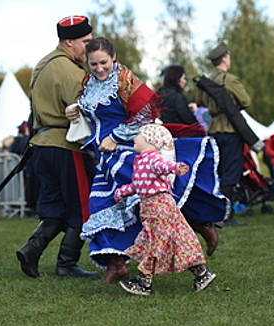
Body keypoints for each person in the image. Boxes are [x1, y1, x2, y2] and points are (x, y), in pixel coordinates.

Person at [71, 37, 227, 283]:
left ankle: (199, 224)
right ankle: (116, 264)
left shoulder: (124, 79)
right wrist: (77, 110)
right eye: (93, 64)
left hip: (127, 151)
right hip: (104, 155)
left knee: (154, 201)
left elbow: (144, 114)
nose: (99, 68)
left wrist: (114, 137)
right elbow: (97, 113)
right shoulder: (88, 82)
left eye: (103, 62)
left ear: (113, 58)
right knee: (102, 206)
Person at [16, 15, 97, 278]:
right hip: (66, 146)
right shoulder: (72, 72)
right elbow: (86, 110)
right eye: (85, 41)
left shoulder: (43, 64)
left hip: (41, 146)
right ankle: (66, 263)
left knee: (54, 208)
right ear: (69, 41)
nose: (90, 46)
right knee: (81, 207)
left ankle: (31, 250)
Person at [116, 124, 216, 296]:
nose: (134, 138)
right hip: (153, 207)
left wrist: (175, 168)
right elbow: (139, 184)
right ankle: (202, 273)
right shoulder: (140, 160)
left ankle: (143, 283)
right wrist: (123, 192)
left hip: (159, 206)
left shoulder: (152, 158)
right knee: (176, 240)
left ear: (150, 140)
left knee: (154, 242)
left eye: (138, 135)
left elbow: (162, 165)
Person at [202, 42, 251, 226]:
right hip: (230, 129)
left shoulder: (207, 80)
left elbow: (201, 102)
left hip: (213, 128)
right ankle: (226, 215)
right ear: (224, 58)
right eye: (228, 57)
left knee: (216, 172)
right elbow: (246, 101)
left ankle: (213, 212)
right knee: (231, 171)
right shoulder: (229, 80)